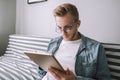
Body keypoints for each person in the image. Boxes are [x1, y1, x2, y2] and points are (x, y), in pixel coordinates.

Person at [38, 3, 111, 80]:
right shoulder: (53, 42)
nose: (63, 33)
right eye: (59, 28)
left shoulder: (96, 48)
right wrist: (41, 61)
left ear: (78, 24)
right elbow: (42, 73)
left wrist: (75, 79)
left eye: (67, 28)